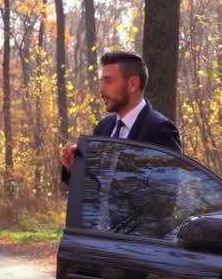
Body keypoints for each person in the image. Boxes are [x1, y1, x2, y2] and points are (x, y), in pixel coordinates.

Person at [60, 51, 182, 184]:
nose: (101, 90)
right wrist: (74, 168)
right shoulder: (103, 127)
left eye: (108, 81)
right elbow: (93, 189)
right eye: (101, 82)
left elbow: (166, 195)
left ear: (133, 84)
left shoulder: (160, 131)